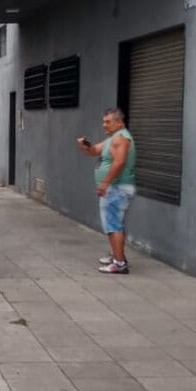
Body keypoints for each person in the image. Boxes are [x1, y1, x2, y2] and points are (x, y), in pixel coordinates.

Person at [77, 108, 136, 274]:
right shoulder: (112, 139)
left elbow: (119, 162)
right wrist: (85, 146)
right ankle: (116, 255)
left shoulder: (121, 139)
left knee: (113, 225)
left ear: (119, 122)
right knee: (114, 224)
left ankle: (119, 263)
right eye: (104, 121)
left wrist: (105, 183)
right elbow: (95, 150)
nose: (104, 125)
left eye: (108, 122)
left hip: (116, 188)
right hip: (114, 188)